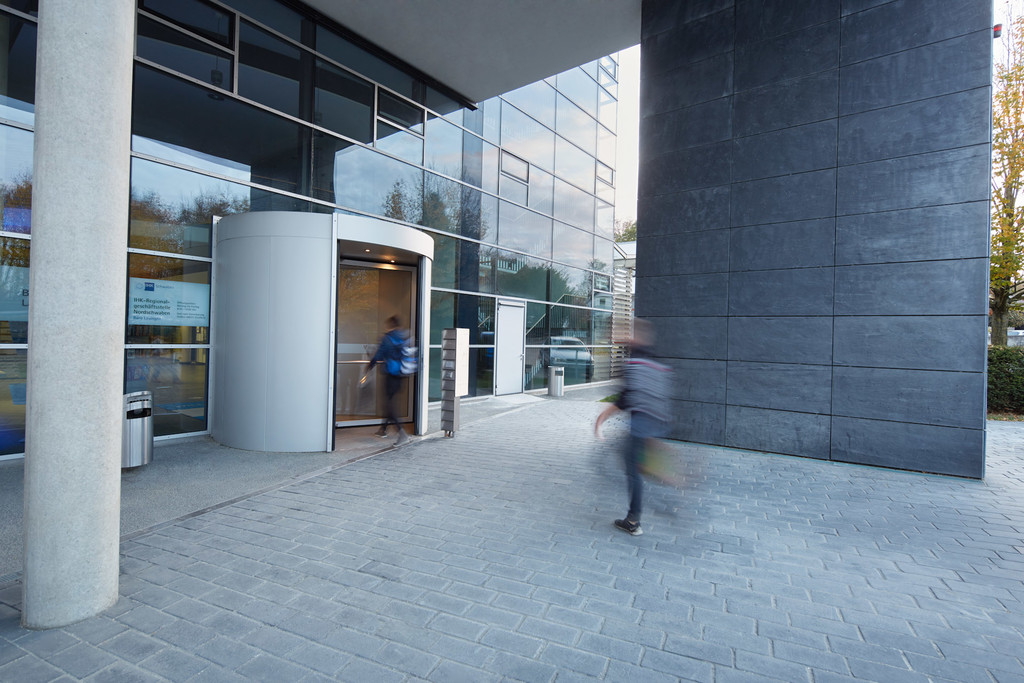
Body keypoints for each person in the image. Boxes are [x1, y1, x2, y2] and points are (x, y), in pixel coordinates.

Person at [594, 319, 672, 536]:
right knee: (638, 459)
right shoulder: (656, 361)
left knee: (632, 470)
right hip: (658, 420)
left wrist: (601, 419)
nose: (623, 337)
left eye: (627, 333)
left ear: (636, 336)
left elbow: (626, 398)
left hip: (642, 423)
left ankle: (633, 521)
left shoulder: (634, 363)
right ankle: (657, 468)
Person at [367, 315, 411, 445]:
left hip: (390, 375)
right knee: (390, 402)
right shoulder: (404, 336)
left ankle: (402, 433)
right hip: (401, 374)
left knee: (389, 405)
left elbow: (379, 355)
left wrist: (370, 365)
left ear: (390, 325)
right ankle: (383, 429)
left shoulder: (387, 338)